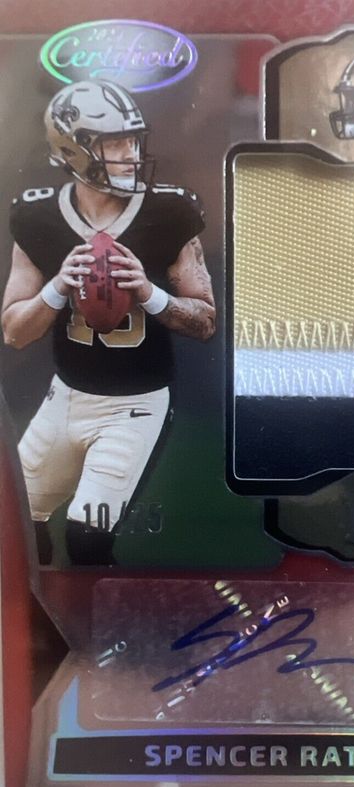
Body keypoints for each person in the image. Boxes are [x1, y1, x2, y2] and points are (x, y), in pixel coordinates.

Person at [1, 79, 215, 566]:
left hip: (134, 404)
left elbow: (205, 321)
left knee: (88, 537)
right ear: (71, 152)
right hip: (66, 398)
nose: (130, 155)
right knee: (16, 527)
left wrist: (149, 293)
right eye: (114, 144)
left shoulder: (169, 212)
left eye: (133, 141)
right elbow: (14, 331)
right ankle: (33, 612)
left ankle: (102, 616)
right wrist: (59, 286)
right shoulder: (37, 216)